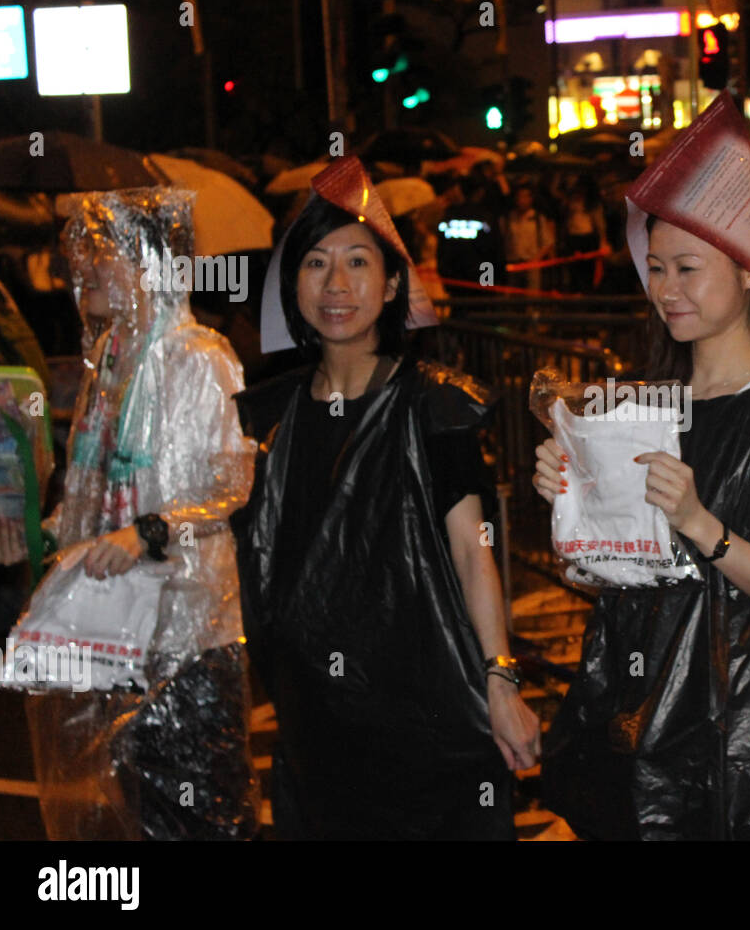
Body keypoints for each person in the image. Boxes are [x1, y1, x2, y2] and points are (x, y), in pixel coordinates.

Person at [536, 97, 750, 840]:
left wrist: (702, 527)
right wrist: (570, 505)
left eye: (688, 267)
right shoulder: (638, 406)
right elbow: (600, 577)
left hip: (738, 735)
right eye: (654, 268)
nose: (666, 289)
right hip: (628, 717)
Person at [231, 157, 540, 839]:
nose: (336, 285)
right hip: (314, 725)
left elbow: (472, 549)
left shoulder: (436, 405)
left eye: (358, 263)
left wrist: (501, 679)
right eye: (315, 263)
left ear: (394, 281)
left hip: (429, 720)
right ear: (293, 285)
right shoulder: (264, 418)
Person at [0, 187, 259, 840]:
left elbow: (234, 482)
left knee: (206, 818)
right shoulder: (111, 360)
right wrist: (42, 529)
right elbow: (88, 487)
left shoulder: (200, 357)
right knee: (138, 812)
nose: (81, 270)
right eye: (79, 255)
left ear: (152, 265)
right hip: (120, 638)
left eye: (101, 253)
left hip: (190, 639)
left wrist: (147, 532)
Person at [500, 182, 555, 291]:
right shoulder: (508, 218)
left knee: (532, 296)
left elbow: (548, 242)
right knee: (512, 295)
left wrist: (535, 259)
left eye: (525, 196)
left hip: (531, 264)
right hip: (513, 263)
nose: (522, 200)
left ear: (531, 199)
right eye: (519, 196)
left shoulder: (538, 218)